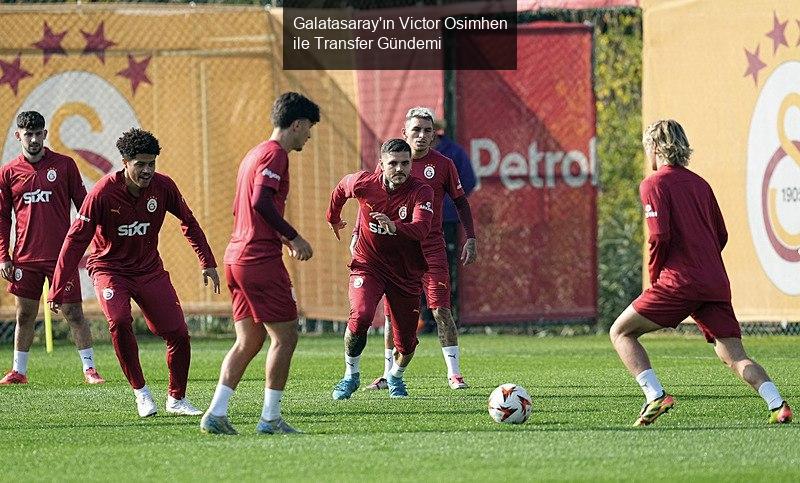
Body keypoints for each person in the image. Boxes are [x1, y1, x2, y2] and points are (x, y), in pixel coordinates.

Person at [609, 119, 792, 426]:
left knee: (621, 332)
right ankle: (777, 404)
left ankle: (655, 395)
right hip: (714, 282)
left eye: (647, 149)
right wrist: (703, 265)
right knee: (733, 355)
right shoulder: (700, 184)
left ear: (654, 148)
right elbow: (721, 235)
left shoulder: (653, 184)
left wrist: (657, 277)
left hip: (679, 282)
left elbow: (658, 237)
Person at [49, 127, 220, 418]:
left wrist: (207, 261)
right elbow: (75, 240)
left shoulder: (163, 187)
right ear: (125, 163)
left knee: (178, 333)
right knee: (118, 320)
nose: (147, 170)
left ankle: (176, 399)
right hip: (110, 270)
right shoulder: (102, 193)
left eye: (151, 163)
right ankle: (141, 393)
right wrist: (57, 287)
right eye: (140, 164)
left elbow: (188, 221)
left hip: (149, 270)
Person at [200, 92, 319, 436]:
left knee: (249, 341)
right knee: (286, 337)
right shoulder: (275, 154)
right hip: (258, 260)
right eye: (308, 128)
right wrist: (293, 236)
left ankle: (216, 413)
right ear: (296, 124)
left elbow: (246, 210)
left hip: (237, 257)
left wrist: (281, 237)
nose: (309, 136)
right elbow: (260, 201)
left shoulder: (254, 154)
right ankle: (270, 418)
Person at [355, 107, 477, 391]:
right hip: (395, 250)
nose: (422, 136)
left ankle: (454, 374)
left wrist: (470, 237)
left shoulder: (444, 164)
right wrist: (356, 232)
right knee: (390, 315)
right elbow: (368, 201)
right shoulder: (391, 162)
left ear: (434, 134)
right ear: (405, 133)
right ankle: (387, 374)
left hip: (430, 249)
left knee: (440, 310)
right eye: (416, 130)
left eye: (427, 130)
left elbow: (461, 201)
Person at [0, 111, 105, 385]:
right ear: (18, 136)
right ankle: (19, 372)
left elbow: (84, 206)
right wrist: (4, 257)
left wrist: (95, 243)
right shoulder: (9, 172)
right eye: (28, 134)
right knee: (25, 314)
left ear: (45, 135)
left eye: (38, 133)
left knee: (73, 313)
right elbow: (2, 217)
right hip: (25, 258)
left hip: (62, 257)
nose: (33, 139)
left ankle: (90, 369)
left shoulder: (64, 165)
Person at [328, 138, 434, 400]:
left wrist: (394, 226)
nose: (400, 169)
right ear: (381, 165)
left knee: (406, 344)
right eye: (393, 163)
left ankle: (395, 377)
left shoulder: (421, 191)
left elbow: (421, 229)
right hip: (368, 265)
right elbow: (341, 188)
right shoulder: (364, 183)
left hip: (405, 273)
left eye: (405, 164)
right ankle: (350, 376)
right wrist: (332, 217)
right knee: (361, 316)